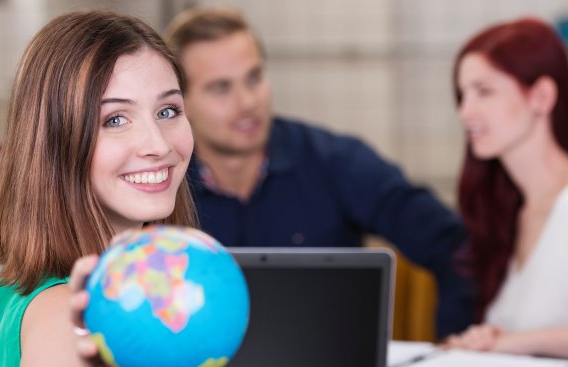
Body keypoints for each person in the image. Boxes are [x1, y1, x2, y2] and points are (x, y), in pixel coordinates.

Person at [0, 10, 237, 367]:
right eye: (115, 119)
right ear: (57, 145)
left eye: (168, 110)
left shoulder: (122, 297)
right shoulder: (66, 323)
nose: (158, 145)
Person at [164, 6, 474, 337]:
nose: (247, 102)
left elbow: (455, 246)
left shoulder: (335, 161)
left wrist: (453, 343)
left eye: (254, 78)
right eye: (221, 88)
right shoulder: (161, 184)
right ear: (183, 103)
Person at [443, 18, 568, 362]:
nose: (465, 111)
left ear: (541, 97)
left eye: (484, 92)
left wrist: (524, 341)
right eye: (462, 94)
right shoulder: (515, 208)